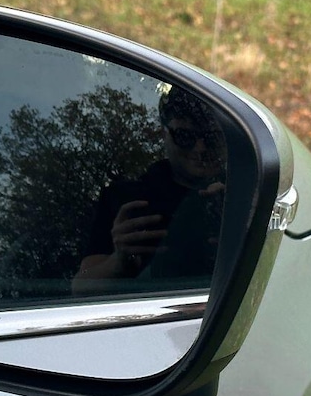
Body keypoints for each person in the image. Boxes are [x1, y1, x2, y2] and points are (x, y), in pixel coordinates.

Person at [72, 86, 226, 296]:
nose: (199, 148)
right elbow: (80, 288)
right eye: (184, 136)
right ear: (163, 133)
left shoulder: (244, 192)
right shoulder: (128, 199)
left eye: (211, 137)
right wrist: (119, 261)